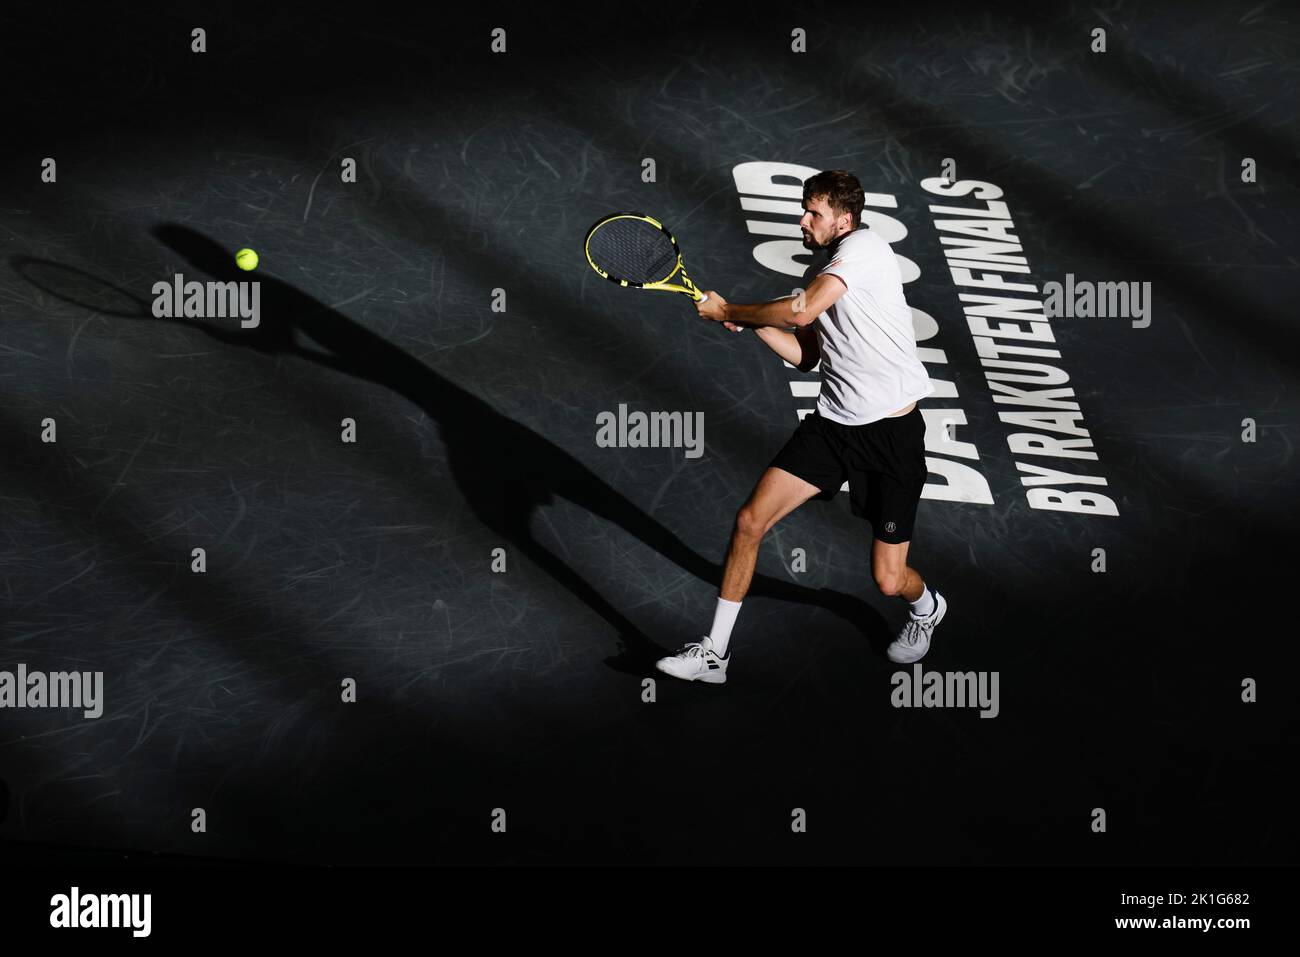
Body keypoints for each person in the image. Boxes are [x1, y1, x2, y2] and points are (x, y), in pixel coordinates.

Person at [655, 170, 944, 684]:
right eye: (804, 209)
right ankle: (715, 654)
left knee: (889, 578)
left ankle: (926, 607)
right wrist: (748, 324)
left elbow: (802, 310)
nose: (803, 220)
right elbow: (807, 354)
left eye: (814, 212)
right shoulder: (827, 267)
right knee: (749, 522)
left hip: (890, 438)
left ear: (845, 220)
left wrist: (734, 310)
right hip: (831, 428)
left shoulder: (865, 250)